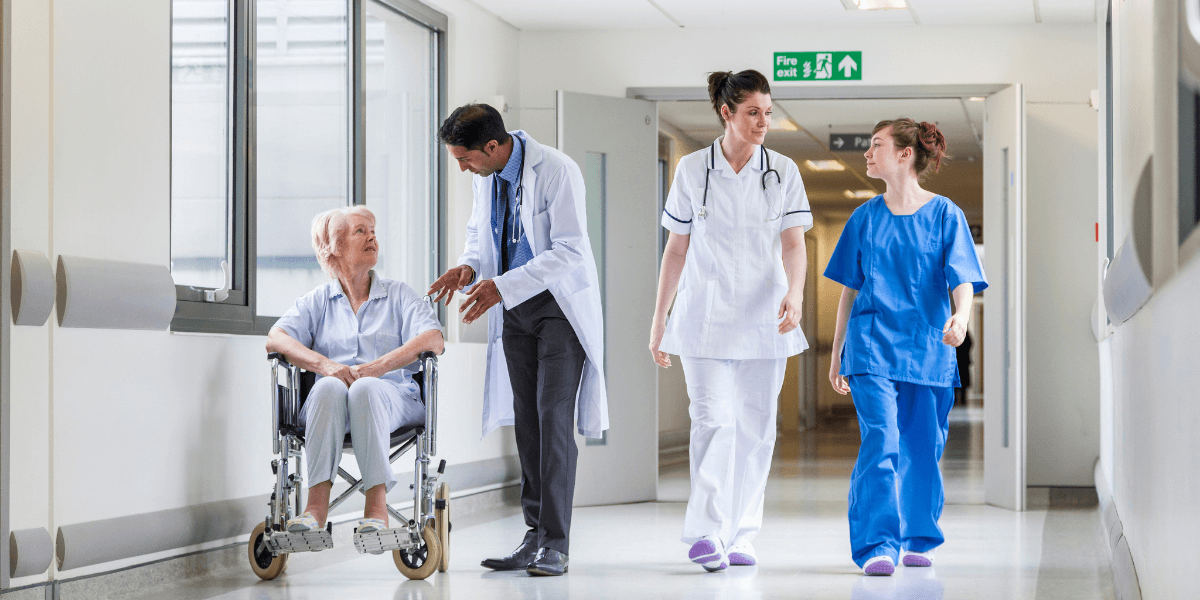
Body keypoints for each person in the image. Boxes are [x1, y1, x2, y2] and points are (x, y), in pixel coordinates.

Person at [428, 104, 607, 577]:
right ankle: (534, 536)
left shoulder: (557, 171)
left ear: (492, 146)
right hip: (514, 311)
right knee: (527, 424)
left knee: (552, 420)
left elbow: (570, 250)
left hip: (558, 309)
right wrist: (468, 266)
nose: (462, 168)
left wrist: (502, 286)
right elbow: (479, 232)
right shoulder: (485, 176)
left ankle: (556, 543)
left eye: (465, 159)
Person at [649, 69, 812, 572]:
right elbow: (676, 250)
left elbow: (793, 244)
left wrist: (796, 294)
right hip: (704, 317)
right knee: (712, 421)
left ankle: (742, 533)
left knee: (756, 429)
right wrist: (659, 319)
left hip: (766, 318)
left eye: (768, 112)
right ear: (726, 112)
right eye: (753, 112)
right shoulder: (691, 169)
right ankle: (707, 532)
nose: (764, 122)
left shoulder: (782, 170)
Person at [824, 118, 987, 576]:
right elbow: (849, 291)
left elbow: (962, 278)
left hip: (927, 348)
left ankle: (918, 536)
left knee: (922, 448)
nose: (867, 153)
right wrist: (837, 353)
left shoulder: (945, 214)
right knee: (881, 439)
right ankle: (877, 544)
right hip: (871, 347)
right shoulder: (864, 218)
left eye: (876, 145)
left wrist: (961, 316)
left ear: (904, 154)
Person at [266, 206, 445, 536]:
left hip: (393, 402)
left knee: (365, 387)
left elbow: (434, 339)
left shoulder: (398, 295)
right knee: (328, 386)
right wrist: (325, 365)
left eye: (373, 230)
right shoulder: (318, 301)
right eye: (360, 231)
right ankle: (315, 508)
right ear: (334, 246)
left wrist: (379, 366)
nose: (372, 237)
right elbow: (275, 338)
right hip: (330, 409)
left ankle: (377, 508)